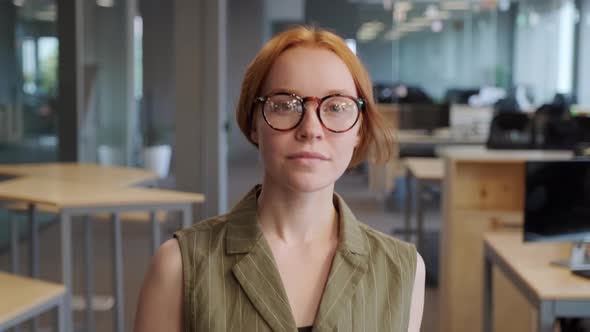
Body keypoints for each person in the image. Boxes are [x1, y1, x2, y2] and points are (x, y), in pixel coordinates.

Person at [134, 26, 425, 332]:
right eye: (285, 105)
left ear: (359, 130)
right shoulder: (179, 267)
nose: (311, 129)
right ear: (254, 123)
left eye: (337, 106)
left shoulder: (403, 271)